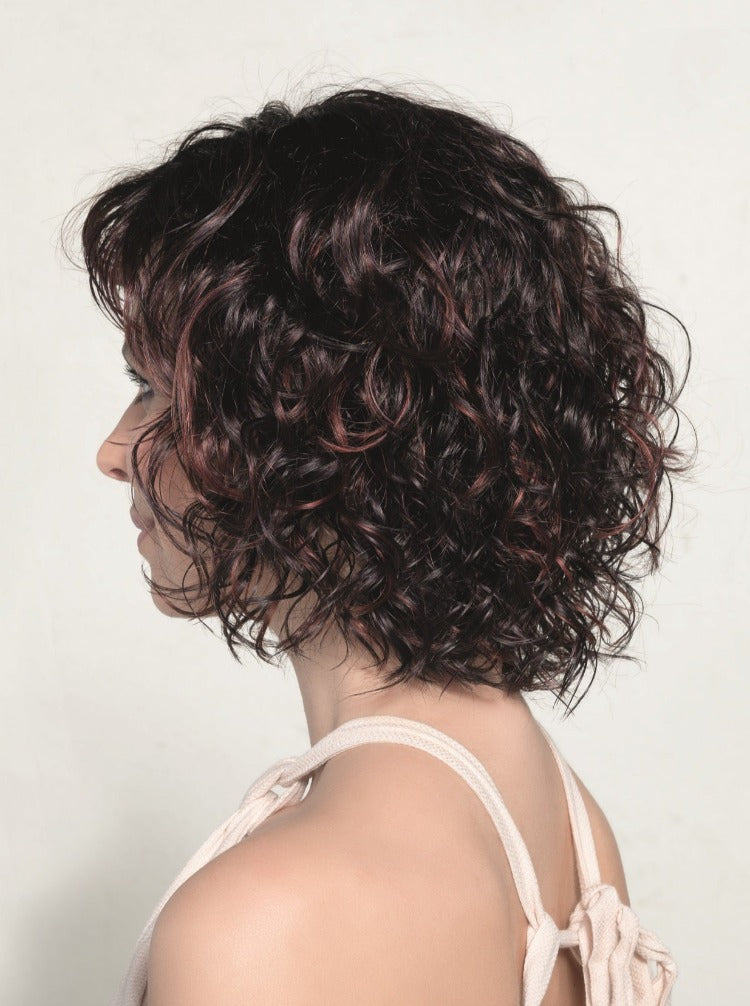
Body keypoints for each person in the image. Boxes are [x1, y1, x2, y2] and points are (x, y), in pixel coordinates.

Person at [63, 83, 693, 1006]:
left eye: (156, 391)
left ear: (327, 425)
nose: (114, 451)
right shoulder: (560, 813)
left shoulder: (266, 923)